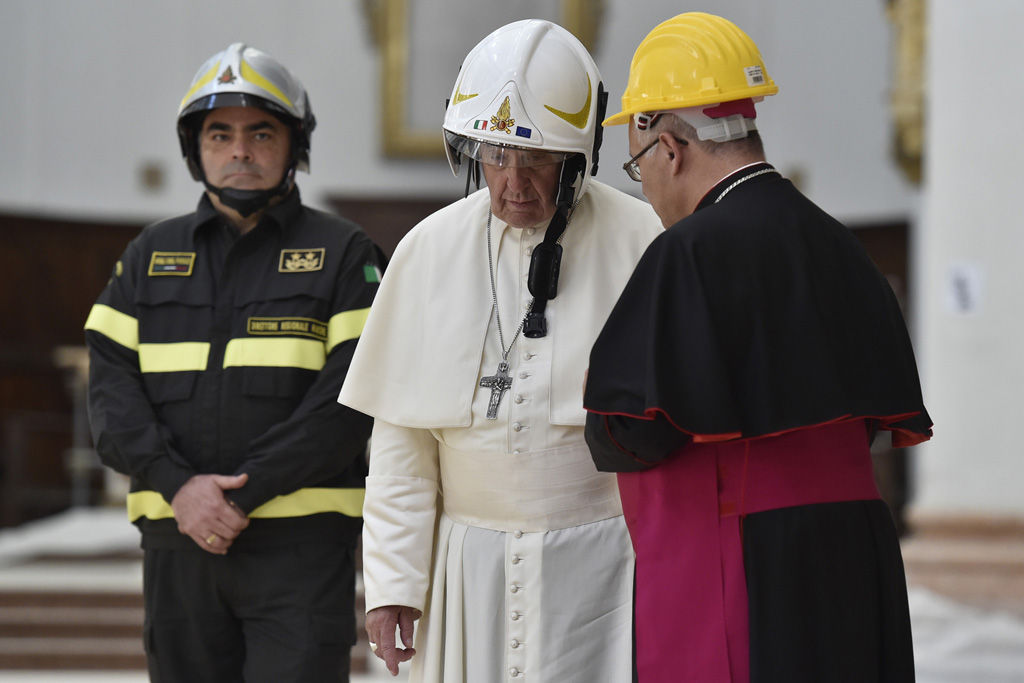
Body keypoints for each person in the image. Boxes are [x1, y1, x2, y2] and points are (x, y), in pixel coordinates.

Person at [583, 12, 933, 683]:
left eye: (637, 164)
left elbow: (627, 433)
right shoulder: (844, 246)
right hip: (856, 549)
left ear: (668, 146)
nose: (646, 187)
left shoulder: (687, 253)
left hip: (747, 559)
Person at [338, 20, 663, 682]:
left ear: (576, 158)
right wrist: (393, 581)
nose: (513, 182)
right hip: (467, 566)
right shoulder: (427, 252)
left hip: (608, 562)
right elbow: (401, 444)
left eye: (536, 158)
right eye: (494, 156)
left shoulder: (644, 241)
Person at [85, 43, 381, 682]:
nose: (239, 151)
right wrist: (180, 489)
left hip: (299, 552)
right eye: (220, 134)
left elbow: (350, 401)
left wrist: (241, 497)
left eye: (261, 132)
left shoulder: (343, 251)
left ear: (293, 145)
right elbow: (111, 395)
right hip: (178, 543)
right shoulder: (147, 255)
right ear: (196, 150)